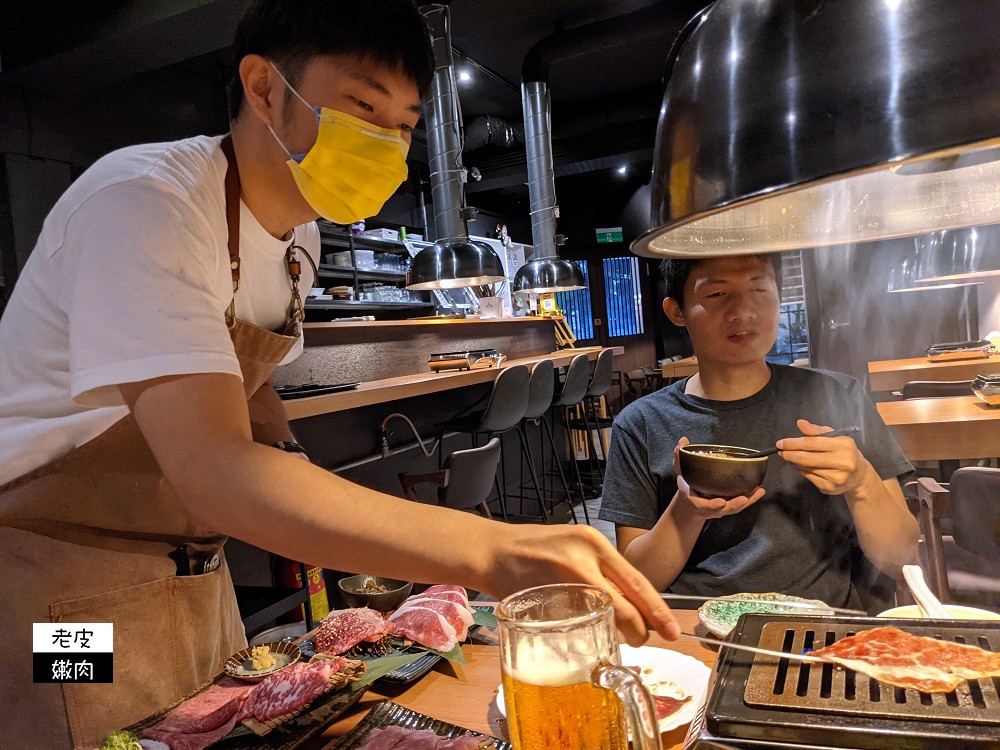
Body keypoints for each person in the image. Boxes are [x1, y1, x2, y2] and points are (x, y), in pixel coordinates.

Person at [0, 2, 678, 747]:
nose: (388, 143)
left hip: (192, 575)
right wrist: (494, 550)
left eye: (405, 123)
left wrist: (291, 469)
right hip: (62, 592)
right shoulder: (146, 202)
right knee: (87, 734)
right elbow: (214, 470)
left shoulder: (300, 241)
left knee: (208, 732)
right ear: (264, 88)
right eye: (363, 106)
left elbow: (246, 384)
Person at [599, 254, 919, 613]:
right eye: (718, 294)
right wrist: (688, 510)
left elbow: (902, 558)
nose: (744, 311)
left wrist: (861, 482)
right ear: (677, 311)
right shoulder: (641, 423)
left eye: (760, 289)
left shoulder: (839, 397)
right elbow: (635, 581)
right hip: (695, 627)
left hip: (821, 625)